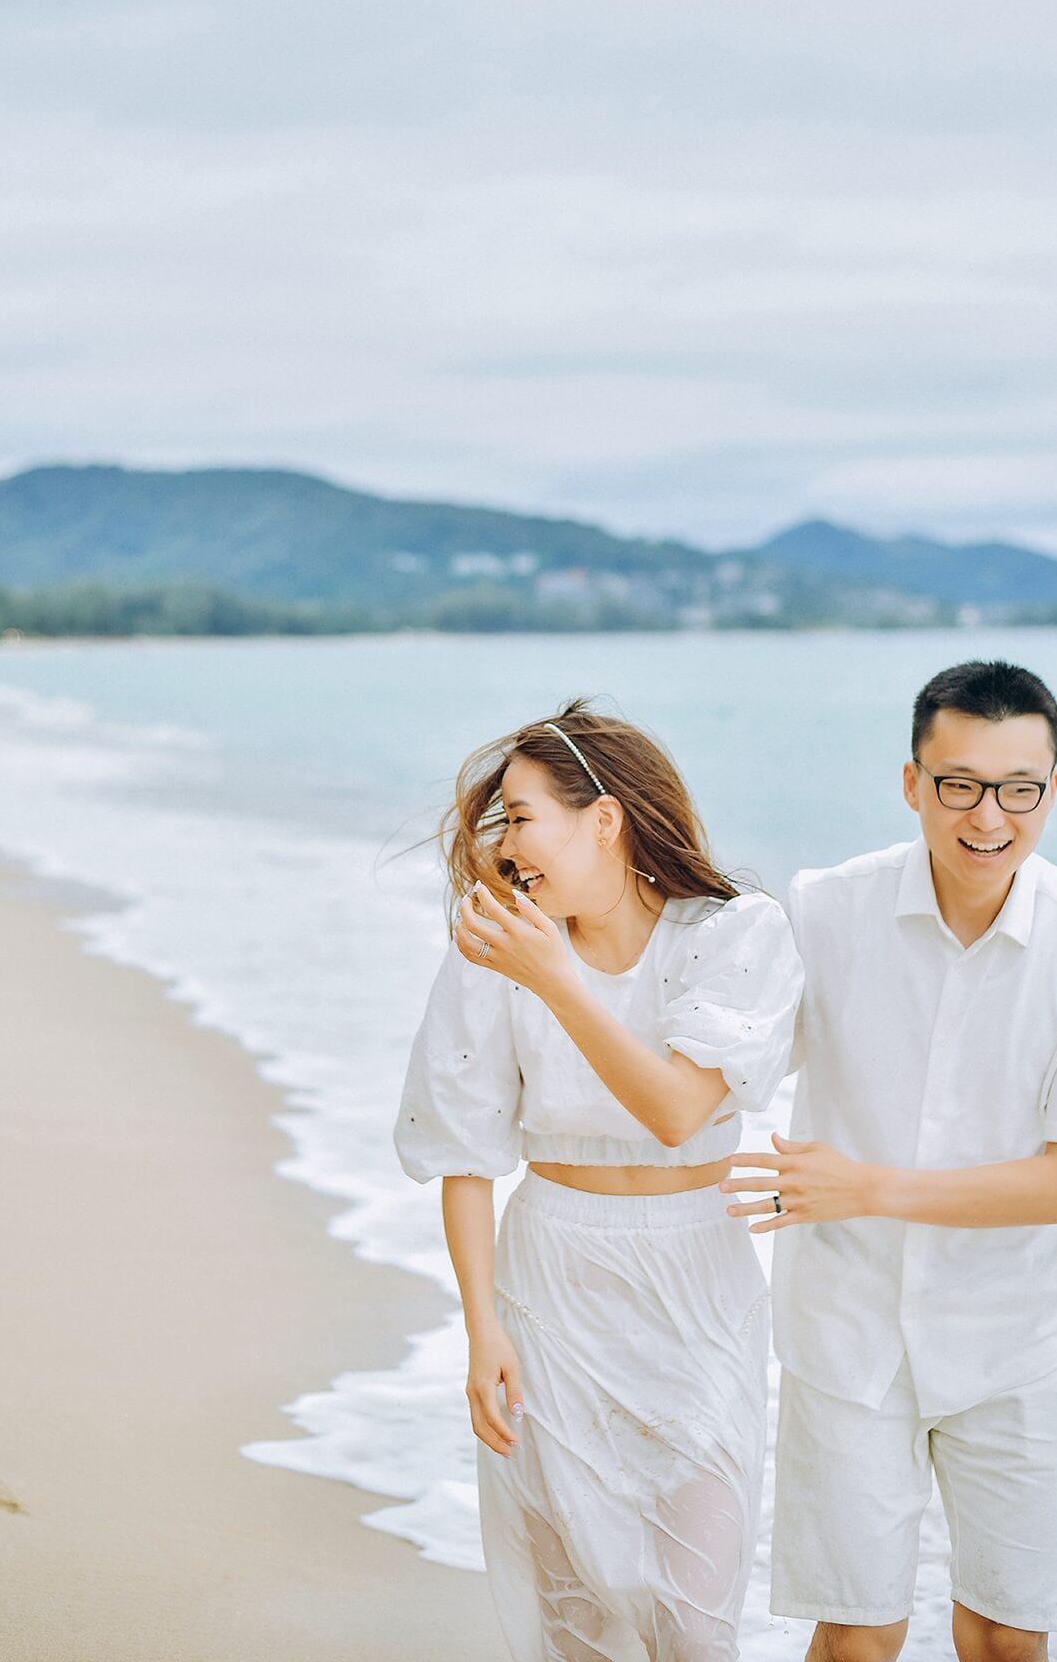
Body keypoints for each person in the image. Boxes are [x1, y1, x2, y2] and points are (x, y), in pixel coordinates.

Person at [724, 659, 1057, 1662]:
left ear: (1052, 789)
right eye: (957, 783)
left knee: (1006, 1632)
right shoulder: (823, 906)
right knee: (857, 1630)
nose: (988, 817)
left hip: (1018, 1339)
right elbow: (723, 1066)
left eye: (1019, 788)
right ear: (912, 782)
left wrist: (865, 1186)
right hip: (847, 1328)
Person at [395, 700, 803, 1662]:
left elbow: (674, 1109)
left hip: (696, 1278)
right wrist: (480, 1325)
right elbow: (463, 1150)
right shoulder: (501, 950)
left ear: (605, 819)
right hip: (549, 1283)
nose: (506, 843)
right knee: (577, 1622)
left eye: (523, 814)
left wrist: (557, 979)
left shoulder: (736, 934)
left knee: (692, 1628)